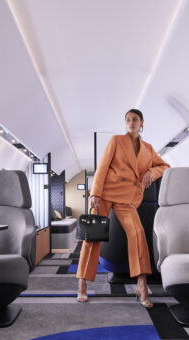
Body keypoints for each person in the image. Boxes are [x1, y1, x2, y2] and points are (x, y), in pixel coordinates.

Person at [76, 109, 170, 307]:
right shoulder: (116, 141)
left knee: (137, 234)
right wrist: (95, 193)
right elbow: (102, 166)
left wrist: (152, 172)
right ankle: (82, 282)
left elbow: (165, 166)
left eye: (135, 119)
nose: (131, 122)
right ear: (125, 123)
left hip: (127, 198)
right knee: (92, 236)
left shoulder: (148, 149)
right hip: (106, 193)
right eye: (128, 120)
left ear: (141, 123)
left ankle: (141, 283)